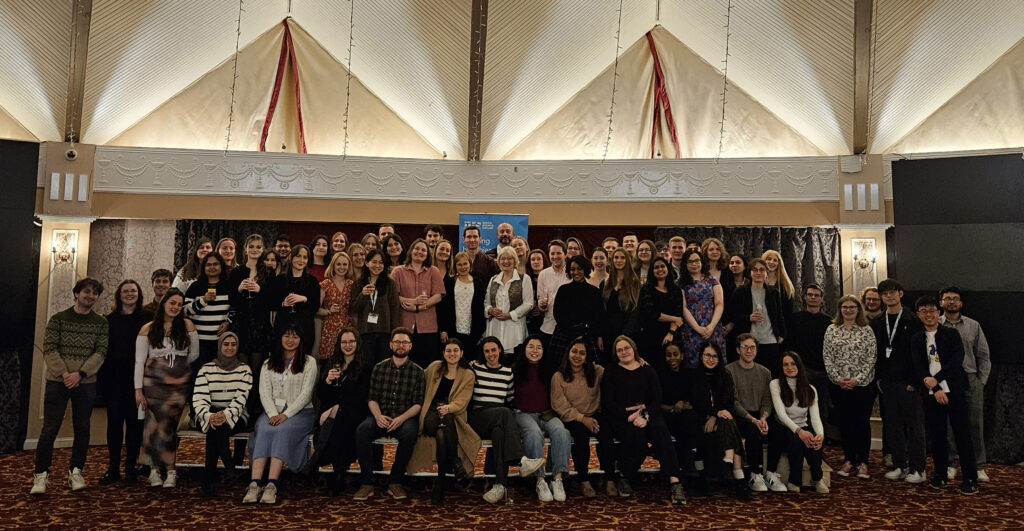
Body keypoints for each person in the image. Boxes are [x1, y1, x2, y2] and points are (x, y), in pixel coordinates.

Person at [31, 278, 109, 495]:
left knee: (82, 428)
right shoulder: (58, 319)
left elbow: (100, 352)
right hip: (58, 382)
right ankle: (41, 475)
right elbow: (49, 348)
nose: (90, 296)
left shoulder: (101, 323)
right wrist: (66, 374)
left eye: (95, 293)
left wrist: (80, 374)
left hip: (86, 383)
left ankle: (76, 471)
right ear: (76, 293)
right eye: (86, 291)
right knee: (49, 429)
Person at [602, 336, 686, 504]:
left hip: (648, 413)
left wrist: (645, 416)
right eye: (620, 350)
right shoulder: (611, 371)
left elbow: (657, 398)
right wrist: (628, 416)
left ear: (634, 349)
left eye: (627, 348)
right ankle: (625, 476)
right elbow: (608, 402)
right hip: (622, 417)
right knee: (636, 437)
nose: (624, 352)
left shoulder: (647, 369)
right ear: (615, 353)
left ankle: (675, 481)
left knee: (661, 431)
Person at [910, 296, 978, 495]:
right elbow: (918, 364)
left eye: (932, 311)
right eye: (924, 311)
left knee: (962, 435)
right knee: (937, 435)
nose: (929, 315)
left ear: (938, 312)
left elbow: (956, 361)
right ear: (918, 315)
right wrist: (933, 387)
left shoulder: (951, 334)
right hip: (931, 392)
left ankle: (970, 477)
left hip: (954, 390)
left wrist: (937, 381)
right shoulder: (916, 338)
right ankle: (939, 474)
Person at [242, 326, 318, 504]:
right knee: (264, 429)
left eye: (295, 336)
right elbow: (264, 392)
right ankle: (254, 484)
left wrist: (286, 415)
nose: (290, 340)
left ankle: (272, 485)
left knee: (281, 430)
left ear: (301, 339)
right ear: (280, 338)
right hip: (272, 412)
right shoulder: (268, 363)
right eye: (286, 335)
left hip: (301, 412)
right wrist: (272, 414)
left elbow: (306, 393)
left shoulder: (309, 362)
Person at [468, 337, 546, 503]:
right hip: (478, 417)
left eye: (493, 350)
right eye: (487, 351)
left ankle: (499, 485)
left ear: (500, 351)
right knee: (504, 412)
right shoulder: (475, 368)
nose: (491, 354)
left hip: (498, 420)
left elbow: (510, 398)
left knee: (499, 433)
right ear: (483, 353)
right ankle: (521, 460)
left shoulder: (507, 372)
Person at [134, 289, 199, 489]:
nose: (176, 307)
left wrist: (176, 370)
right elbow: (139, 361)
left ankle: (171, 470)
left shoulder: (187, 326)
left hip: (177, 386)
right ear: (164, 303)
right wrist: (138, 390)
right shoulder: (148, 329)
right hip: (153, 385)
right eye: (172, 303)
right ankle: (155, 470)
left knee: (169, 426)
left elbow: (194, 354)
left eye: (179, 304)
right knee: (153, 426)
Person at [353, 328, 425, 501]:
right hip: (381, 415)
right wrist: (377, 416)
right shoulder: (379, 367)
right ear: (391, 344)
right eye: (397, 342)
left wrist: (401, 418)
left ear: (410, 346)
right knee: (362, 430)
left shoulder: (418, 372)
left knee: (409, 433)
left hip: (404, 418)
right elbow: (372, 398)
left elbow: (417, 404)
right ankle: (367, 482)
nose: (401, 346)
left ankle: (395, 481)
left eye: (405, 342)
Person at [407, 338, 480, 505]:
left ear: (461, 353)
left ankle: (440, 483)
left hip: (452, 414)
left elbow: (463, 400)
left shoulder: (468, 374)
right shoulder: (434, 367)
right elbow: (419, 383)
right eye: (448, 351)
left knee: (442, 433)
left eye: (455, 350)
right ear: (444, 353)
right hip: (430, 413)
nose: (452, 354)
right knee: (442, 423)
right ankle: (455, 461)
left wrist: (450, 407)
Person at [871, 279, 926, 484]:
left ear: (900, 294)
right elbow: (875, 353)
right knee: (892, 425)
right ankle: (900, 465)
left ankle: (918, 468)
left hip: (909, 382)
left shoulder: (913, 320)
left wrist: (915, 380)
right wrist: (878, 378)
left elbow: (920, 353)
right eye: (884, 293)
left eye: (892, 292)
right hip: (887, 382)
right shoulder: (877, 322)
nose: (889, 296)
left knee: (914, 426)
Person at [98, 280, 152, 486]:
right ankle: (113, 469)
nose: (130, 294)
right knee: (114, 425)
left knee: (135, 426)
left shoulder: (148, 319)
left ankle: (130, 468)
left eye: (133, 291)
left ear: (139, 294)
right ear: (118, 295)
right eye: (125, 291)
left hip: (139, 381)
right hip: (114, 380)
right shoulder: (109, 320)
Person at [939, 286, 990, 483]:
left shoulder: (973, 325)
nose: (951, 302)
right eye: (947, 299)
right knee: (949, 424)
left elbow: (984, 356)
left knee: (974, 424)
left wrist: (981, 381)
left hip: (970, 379)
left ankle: (978, 466)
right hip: (945, 379)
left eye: (955, 299)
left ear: (961, 303)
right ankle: (951, 464)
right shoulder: (935, 325)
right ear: (941, 303)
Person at [192, 332, 253, 498]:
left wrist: (224, 415)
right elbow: (199, 397)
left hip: (236, 414)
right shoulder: (206, 369)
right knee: (216, 429)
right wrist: (209, 416)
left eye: (233, 344)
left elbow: (240, 400)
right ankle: (228, 462)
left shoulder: (244, 370)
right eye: (226, 344)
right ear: (220, 346)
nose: (230, 348)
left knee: (216, 430)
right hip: (208, 413)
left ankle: (209, 481)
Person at [311, 327, 370, 495]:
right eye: (344, 342)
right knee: (336, 423)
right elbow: (321, 394)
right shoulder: (331, 363)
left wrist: (337, 408)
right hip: (330, 413)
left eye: (351, 341)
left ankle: (325, 463)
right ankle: (338, 474)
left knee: (341, 420)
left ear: (357, 344)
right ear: (339, 344)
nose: (348, 345)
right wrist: (328, 381)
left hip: (355, 412)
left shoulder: (365, 367)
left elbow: (360, 397)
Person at [690, 342, 753, 500]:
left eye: (714, 356)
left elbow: (728, 401)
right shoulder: (694, 376)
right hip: (699, 417)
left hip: (720, 417)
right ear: (701, 356)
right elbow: (696, 403)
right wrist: (713, 413)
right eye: (707, 355)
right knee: (728, 422)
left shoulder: (724, 375)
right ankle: (739, 478)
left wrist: (716, 415)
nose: (711, 359)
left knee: (728, 419)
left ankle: (730, 463)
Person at [823, 295, 877, 479]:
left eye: (852, 307)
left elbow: (872, 358)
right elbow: (827, 357)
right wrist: (838, 379)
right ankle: (848, 460)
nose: (848, 310)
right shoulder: (831, 329)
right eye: (844, 307)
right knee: (845, 423)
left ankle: (862, 462)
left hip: (862, 385)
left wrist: (857, 379)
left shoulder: (867, 330)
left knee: (861, 423)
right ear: (840, 309)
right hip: (839, 385)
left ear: (858, 309)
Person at [551, 338, 611, 498]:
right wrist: (582, 419)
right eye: (574, 352)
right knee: (581, 438)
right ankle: (583, 479)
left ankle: (610, 476)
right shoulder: (558, 376)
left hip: (595, 414)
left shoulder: (596, 371)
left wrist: (639, 360)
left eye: (582, 353)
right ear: (568, 353)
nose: (577, 356)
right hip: (573, 418)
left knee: (607, 434)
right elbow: (559, 406)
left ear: (587, 356)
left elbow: (615, 372)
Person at [513, 336, 571, 502]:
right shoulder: (515, 369)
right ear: (524, 349)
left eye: (539, 347)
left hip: (546, 413)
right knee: (533, 433)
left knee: (561, 431)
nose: (535, 350)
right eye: (531, 346)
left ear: (544, 351)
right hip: (523, 413)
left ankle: (557, 478)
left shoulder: (551, 370)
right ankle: (539, 480)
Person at [228, 235, 273, 427]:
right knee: (242, 370)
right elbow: (231, 300)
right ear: (245, 249)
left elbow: (272, 302)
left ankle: (255, 409)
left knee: (257, 370)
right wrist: (239, 289)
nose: (255, 250)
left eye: (259, 247)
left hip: (260, 326)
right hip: (242, 324)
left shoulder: (268, 272)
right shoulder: (237, 272)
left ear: (262, 250)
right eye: (251, 246)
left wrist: (260, 290)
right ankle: (241, 409)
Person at [725, 334, 778, 493]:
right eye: (745, 347)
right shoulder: (729, 370)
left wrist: (763, 418)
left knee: (778, 430)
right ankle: (755, 474)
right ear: (737, 350)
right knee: (752, 430)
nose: (749, 350)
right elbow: (733, 402)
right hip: (740, 415)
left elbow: (767, 401)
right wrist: (753, 420)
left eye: (752, 347)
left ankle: (771, 473)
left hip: (760, 414)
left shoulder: (765, 372)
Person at [769, 352, 828, 493]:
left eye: (793, 363)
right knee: (797, 440)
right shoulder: (775, 384)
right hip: (783, 428)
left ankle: (818, 478)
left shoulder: (810, 389)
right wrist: (800, 431)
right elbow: (781, 415)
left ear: (799, 365)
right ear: (781, 368)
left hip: (803, 426)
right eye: (785, 364)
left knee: (813, 440)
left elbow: (815, 418)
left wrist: (820, 435)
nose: (789, 367)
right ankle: (794, 480)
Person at [785, 284, 835, 437]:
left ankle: (820, 443)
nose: (813, 297)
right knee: (799, 408)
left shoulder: (829, 322)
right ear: (805, 297)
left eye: (816, 295)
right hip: (801, 370)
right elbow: (789, 344)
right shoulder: (794, 319)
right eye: (810, 294)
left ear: (822, 299)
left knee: (821, 410)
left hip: (822, 371)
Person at [391, 238, 445, 368]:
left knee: (427, 364)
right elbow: (392, 296)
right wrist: (411, 301)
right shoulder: (398, 271)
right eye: (417, 248)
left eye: (423, 250)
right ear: (411, 251)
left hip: (428, 326)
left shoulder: (434, 271)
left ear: (427, 254)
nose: (419, 252)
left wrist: (419, 307)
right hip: (404, 325)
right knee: (404, 363)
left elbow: (438, 295)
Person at [727, 258, 786, 376]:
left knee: (770, 376)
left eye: (762, 270)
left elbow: (780, 315)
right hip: (750, 342)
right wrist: (748, 318)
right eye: (755, 270)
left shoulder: (774, 292)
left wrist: (782, 334)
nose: (758, 273)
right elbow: (733, 315)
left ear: (766, 273)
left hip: (770, 341)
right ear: (749, 273)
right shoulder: (741, 291)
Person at [657, 344, 700, 485]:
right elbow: (656, 402)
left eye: (675, 354)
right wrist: (674, 407)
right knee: (675, 424)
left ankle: (685, 467)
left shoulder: (690, 374)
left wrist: (683, 404)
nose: (672, 358)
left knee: (689, 419)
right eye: (669, 355)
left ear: (682, 355)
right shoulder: (659, 374)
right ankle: (688, 467)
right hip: (666, 414)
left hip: (685, 414)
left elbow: (692, 401)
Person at [549, 255, 603, 365]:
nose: (576, 272)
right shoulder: (563, 290)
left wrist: (591, 335)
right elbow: (558, 314)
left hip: (587, 335)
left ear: (585, 270)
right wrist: (572, 333)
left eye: (579, 269)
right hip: (564, 334)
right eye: (572, 269)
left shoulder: (594, 291)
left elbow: (598, 316)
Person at [351, 249, 401, 363]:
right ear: (367, 263)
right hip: (365, 332)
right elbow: (354, 308)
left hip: (385, 332)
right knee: (367, 365)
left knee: (383, 365)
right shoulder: (358, 283)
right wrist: (363, 295)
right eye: (374, 262)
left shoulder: (390, 283)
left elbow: (395, 309)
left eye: (381, 262)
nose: (377, 265)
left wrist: (394, 334)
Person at [183, 252, 231, 370]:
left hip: (221, 342)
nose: (212, 267)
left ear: (221, 266)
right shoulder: (195, 287)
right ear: (203, 267)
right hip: (199, 342)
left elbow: (235, 309)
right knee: (199, 374)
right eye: (208, 265)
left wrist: (228, 322)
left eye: (216, 264)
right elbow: (185, 311)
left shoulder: (228, 286)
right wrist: (203, 300)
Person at [679, 249, 726, 369]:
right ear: (685, 264)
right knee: (695, 365)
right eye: (690, 262)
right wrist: (697, 328)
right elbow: (683, 307)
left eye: (696, 261)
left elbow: (719, 304)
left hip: (713, 327)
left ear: (702, 262)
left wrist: (711, 326)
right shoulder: (681, 283)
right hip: (692, 329)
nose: (694, 264)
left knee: (715, 362)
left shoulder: (712, 280)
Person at [269, 245, 320, 353]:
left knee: (302, 361)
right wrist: (282, 303)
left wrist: (304, 298)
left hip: (305, 327)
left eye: (305, 257)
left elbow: (315, 307)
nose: (301, 260)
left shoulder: (312, 280)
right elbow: (271, 302)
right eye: (298, 256)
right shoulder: (280, 279)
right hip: (283, 325)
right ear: (291, 257)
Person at [483, 248, 533, 354]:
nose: (506, 261)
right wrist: (490, 310)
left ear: (515, 260)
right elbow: (486, 303)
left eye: (509, 258)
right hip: (494, 330)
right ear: (498, 261)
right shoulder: (493, 279)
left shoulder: (524, 278)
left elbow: (528, 304)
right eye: (503, 258)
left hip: (514, 332)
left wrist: (510, 314)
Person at [637, 257, 683, 367]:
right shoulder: (646, 289)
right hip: (651, 336)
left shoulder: (676, 289)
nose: (660, 269)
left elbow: (679, 313)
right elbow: (651, 313)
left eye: (662, 266)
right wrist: (675, 319)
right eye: (656, 267)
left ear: (668, 269)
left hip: (672, 335)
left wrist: (671, 332)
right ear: (652, 271)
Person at [439, 251, 487, 353]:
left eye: (465, 264)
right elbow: (443, 308)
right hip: (452, 330)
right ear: (455, 266)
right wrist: (443, 330)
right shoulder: (449, 282)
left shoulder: (478, 283)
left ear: (470, 264)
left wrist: (480, 332)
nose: (463, 267)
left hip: (473, 332)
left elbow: (481, 309)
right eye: (459, 264)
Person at [601, 248, 640, 362]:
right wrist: (600, 335)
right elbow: (602, 312)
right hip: (607, 333)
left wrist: (625, 336)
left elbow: (635, 311)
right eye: (616, 257)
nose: (619, 260)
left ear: (628, 260)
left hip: (626, 332)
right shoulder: (605, 282)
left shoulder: (634, 282)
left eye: (622, 257)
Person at [317, 252, 355, 360]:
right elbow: (316, 309)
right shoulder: (326, 284)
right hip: (330, 329)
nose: (341, 267)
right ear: (333, 265)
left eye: (344, 264)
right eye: (338, 264)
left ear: (349, 266)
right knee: (329, 363)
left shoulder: (351, 284)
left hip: (347, 327)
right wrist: (328, 311)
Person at [536, 240, 570, 345]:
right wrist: (541, 304)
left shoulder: (572, 273)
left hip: (567, 329)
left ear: (565, 254)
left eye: (559, 253)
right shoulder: (543, 274)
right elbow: (541, 304)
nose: (555, 256)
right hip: (547, 327)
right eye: (552, 253)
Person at [761, 250, 794, 331]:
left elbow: (787, 311)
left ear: (779, 264)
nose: (771, 262)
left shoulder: (786, 285)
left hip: (778, 329)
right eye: (768, 259)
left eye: (775, 260)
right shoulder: (755, 281)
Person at [525, 248, 549, 335]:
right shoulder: (526, 278)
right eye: (533, 259)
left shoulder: (549, 277)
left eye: (539, 259)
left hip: (546, 318)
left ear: (544, 261)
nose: (536, 262)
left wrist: (541, 308)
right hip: (529, 319)